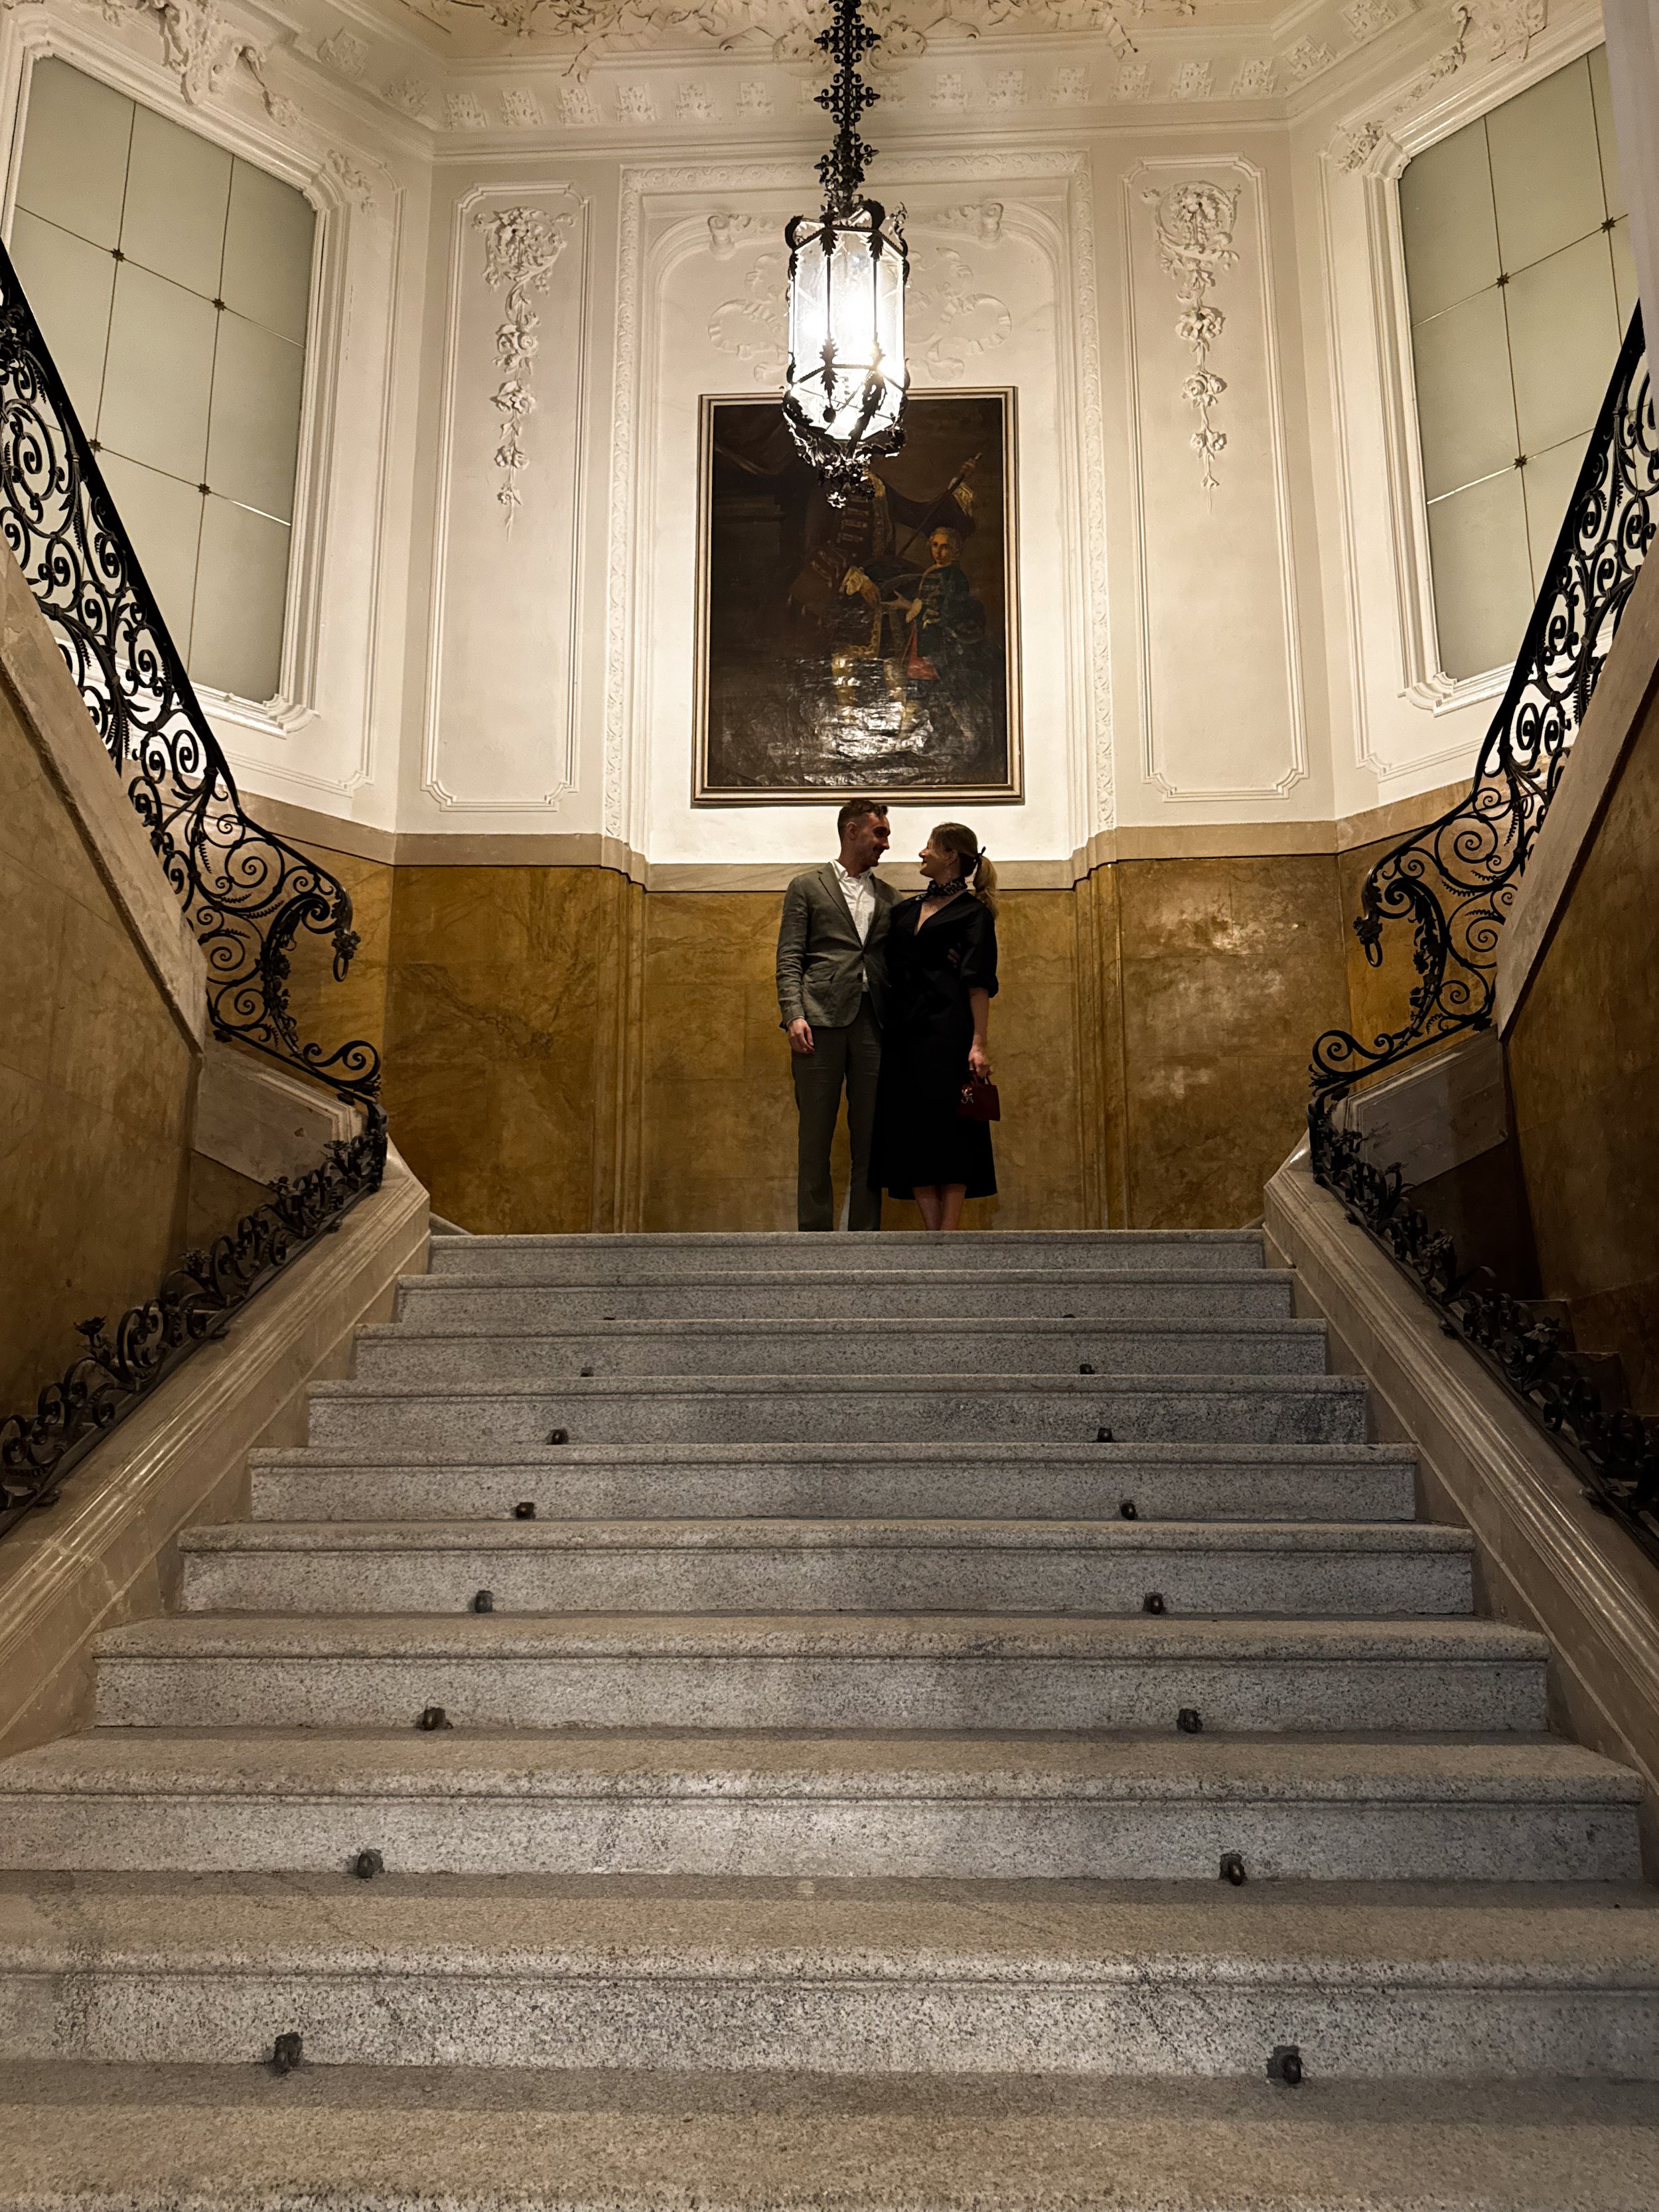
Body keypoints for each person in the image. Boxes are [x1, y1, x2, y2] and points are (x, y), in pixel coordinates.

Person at [868, 822, 999, 1232]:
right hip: (903, 1035)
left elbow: (978, 982)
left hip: (950, 1033)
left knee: (954, 1128)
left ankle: (949, 1233)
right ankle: (931, 1235)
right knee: (911, 1127)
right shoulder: (904, 912)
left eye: (929, 847)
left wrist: (978, 1044)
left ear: (951, 857)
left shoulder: (974, 913)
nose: (921, 854)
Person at [775, 797, 898, 1231]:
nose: (886, 842)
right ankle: (814, 1237)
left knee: (870, 1140)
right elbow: (790, 957)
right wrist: (793, 1014)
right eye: (879, 832)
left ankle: (866, 1237)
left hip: (875, 1026)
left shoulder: (890, 897)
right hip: (818, 1024)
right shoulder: (806, 886)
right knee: (815, 1139)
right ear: (851, 831)